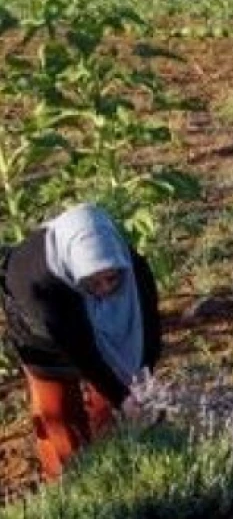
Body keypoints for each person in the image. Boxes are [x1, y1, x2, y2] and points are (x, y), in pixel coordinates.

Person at [1, 204, 161, 481]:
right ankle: (72, 485)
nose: (105, 289)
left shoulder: (129, 264)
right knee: (59, 415)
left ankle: (121, 473)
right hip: (42, 334)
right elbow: (77, 347)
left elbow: (149, 325)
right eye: (93, 283)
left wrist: (141, 379)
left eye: (112, 279)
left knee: (113, 410)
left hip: (91, 328)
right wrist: (123, 397)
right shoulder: (35, 285)